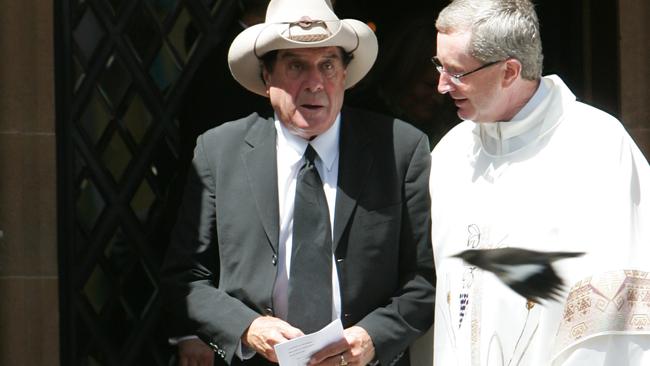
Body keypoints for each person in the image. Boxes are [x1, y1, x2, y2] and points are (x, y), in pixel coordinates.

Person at [161, 0, 435, 365]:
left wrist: (373, 337)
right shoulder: (219, 152)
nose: (315, 83)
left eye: (327, 65)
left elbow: (425, 278)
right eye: (296, 66)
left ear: (344, 74)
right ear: (267, 76)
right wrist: (248, 327)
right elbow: (186, 278)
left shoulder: (400, 149)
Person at [428, 0, 650, 365]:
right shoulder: (450, 154)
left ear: (510, 72)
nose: (441, 85)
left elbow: (617, 314)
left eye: (457, 72)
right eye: (439, 65)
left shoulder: (597, 146)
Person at [346, 13, 459, 148]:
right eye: (429, 85)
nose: (439, 97)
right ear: (402, 74)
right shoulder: (358, 116)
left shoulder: (450, 129)